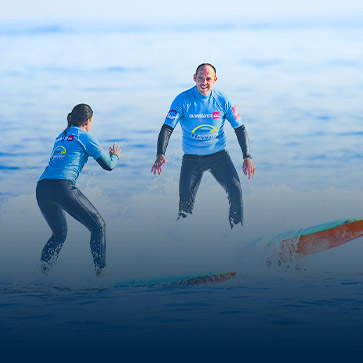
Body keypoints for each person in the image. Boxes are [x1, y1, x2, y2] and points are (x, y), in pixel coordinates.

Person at [151, 63, 256, 228]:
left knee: (236, 190)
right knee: (185, 203)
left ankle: (237, 232)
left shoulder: (223, 100)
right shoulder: (182, 100)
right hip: (191, 159)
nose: (204, 82)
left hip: (219, 156)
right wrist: (160, 154)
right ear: (194, 78)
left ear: (215, 80)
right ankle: (181, 237)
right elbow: (167, 128)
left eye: (208, 79)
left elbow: (240, 128)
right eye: (200, 78)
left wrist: (247, 157)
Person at [36, 104, 121, 276]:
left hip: (42, 188)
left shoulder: (61, 136)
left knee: (59, 234)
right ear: (88, 121)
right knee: (99, 226)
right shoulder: (85, 137)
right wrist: (116, 156)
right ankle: (102, 274)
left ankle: (41, 277)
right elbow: (109, 165)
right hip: (62, 187)